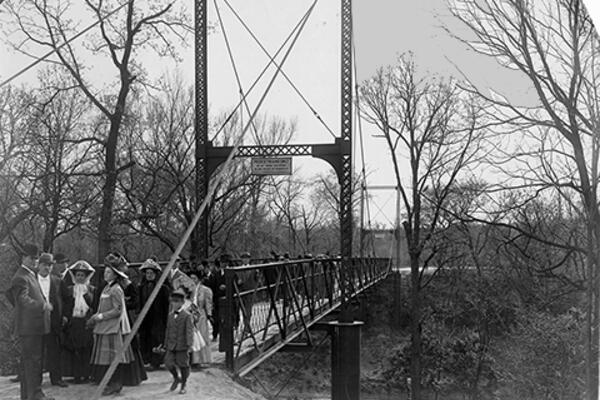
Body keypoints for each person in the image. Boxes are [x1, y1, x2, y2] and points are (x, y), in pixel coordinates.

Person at [7, 243, 55, 400]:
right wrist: (42, 305)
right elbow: (22, 300)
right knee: (31, 362)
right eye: (31, 258)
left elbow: (14, 297)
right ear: (23, 258)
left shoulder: (29, 274)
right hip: (29, 328)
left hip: (35, 326)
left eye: (36, 258)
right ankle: (33, 395)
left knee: (34, 362)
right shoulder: (21, 277)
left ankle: (32, 394)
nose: (35, 261)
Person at [88, 255, 136, 396]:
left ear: (115, 274)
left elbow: (118, 310)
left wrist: (100, 316)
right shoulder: (106, 288)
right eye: (105, 271)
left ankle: (116, 383)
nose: (105, 274)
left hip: (113, 328)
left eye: (108, 272)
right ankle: (111, 383)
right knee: (108, 358)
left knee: (114, 358)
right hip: (105, 327)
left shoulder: (116, 289)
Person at [106, 252, 147, 385]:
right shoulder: (110, 285)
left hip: (126, 318)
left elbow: (136, 302)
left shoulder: (129, 284)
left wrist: (123, 304)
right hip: (113, 317)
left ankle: (132, 376)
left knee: (130, 345)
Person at [61, 260, 96, 384]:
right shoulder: (70, 290)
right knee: (75, 349)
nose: (80, 277)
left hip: (86, 323)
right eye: (78, 275)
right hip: (74, 322)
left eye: (82, 275)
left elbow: (94, 305)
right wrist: (65, 318)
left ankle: (86, 374)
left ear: (86, 277)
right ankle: (76, 375)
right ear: (74, 276)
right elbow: (66, 306)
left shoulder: (91, 289)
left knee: (86, 349)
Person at [37, 253, 68, 388]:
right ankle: (36, 381)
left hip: (54, 322)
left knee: (54, 350)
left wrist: (65, 316)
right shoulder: (30, 280)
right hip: (36, 322)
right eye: (44, 265)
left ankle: (56, 379)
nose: (47, 268)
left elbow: (67, 300)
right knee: (37, 353)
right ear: (39, 265)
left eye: (50, 265)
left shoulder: (58, 281)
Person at [158, 288, 194, 395]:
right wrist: (165, 344)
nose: (174, 304)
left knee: (183, 365)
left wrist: (189, 344)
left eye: (177, 301)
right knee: (168, 363)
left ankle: (184, 383)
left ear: (182, 302)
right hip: (171, 344)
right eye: (173, 301)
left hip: (182, 345)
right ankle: (176, 377)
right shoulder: (170, 315)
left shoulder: (187, 315)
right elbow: (168, 330)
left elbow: (189, 331)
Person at [137, 259, 169, 370]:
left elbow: (166, 306)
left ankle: (156, 362)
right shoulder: (141, 288)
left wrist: (165, 320)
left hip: (158, 318)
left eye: (151, 273)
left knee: (156, 339)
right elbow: (139, 304)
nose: (149, 275)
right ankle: (146, 359)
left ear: (156, 274)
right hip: (145, 318)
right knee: (145, 338)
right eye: (147, 273)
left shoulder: (163, 288)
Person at [190, 272, 213, 366]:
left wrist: (209, 315)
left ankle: (202, 359)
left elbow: (208, 304)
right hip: (190, 314)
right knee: (192, 337)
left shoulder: (205, 290)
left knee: (202, 336)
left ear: (198, 279)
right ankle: (193, 360)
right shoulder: (188, 290)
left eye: (194, 278)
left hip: (201, 315)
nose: (192, 281)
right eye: (191, 278)